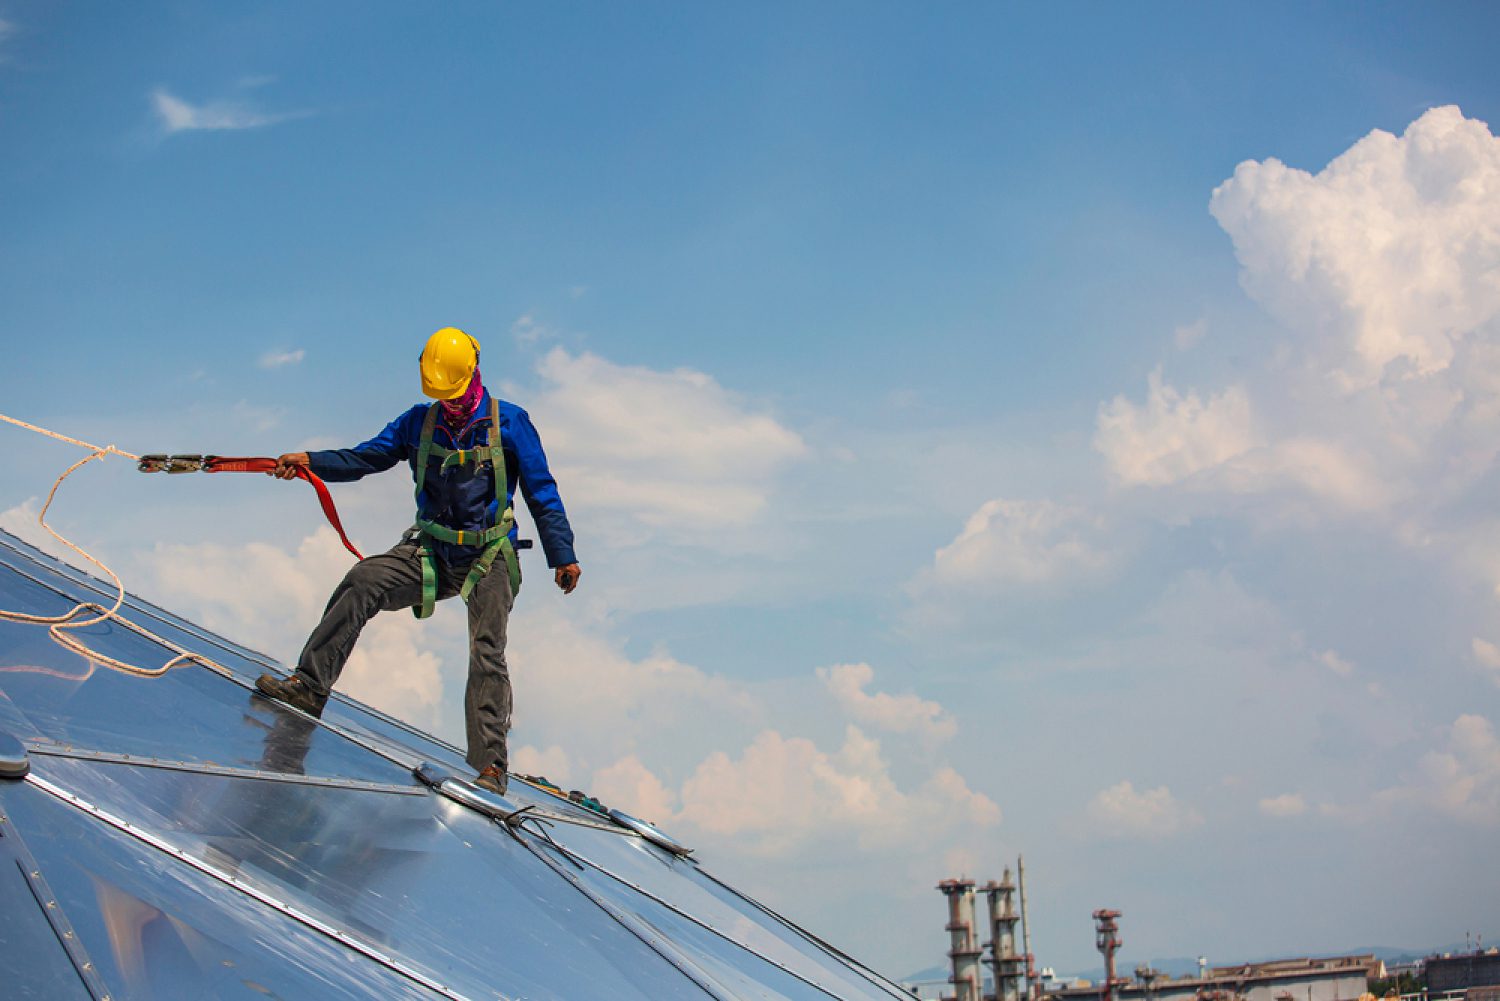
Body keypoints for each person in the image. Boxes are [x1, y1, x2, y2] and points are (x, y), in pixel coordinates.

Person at [255, 327, 580, 795]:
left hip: (489, 556)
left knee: (487, 648)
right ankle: (308, 687)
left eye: (454, 393)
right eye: (440, 396)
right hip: (429, 551)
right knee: (363, 579)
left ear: (474, 374)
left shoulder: (510, 423)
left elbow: (541, 492)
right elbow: (367, 457)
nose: (447, 403)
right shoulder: (418, 423)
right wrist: (311, 461)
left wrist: (562, 554)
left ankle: (491, 767)